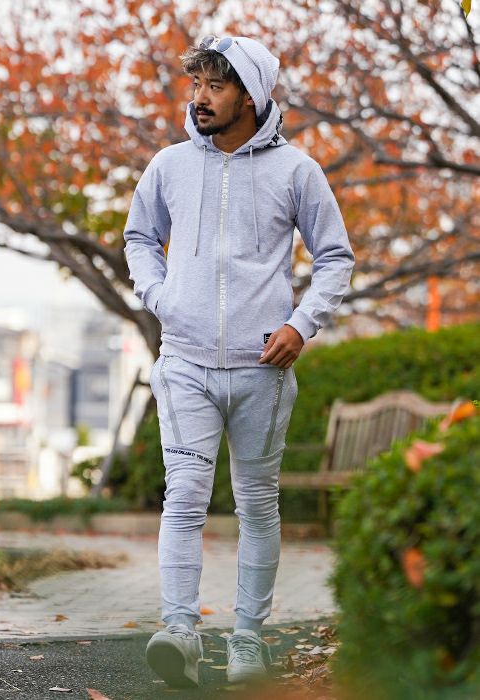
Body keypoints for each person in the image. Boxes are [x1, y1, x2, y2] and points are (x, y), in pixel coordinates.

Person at [123, 34, 355, 688]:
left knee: (256, 504)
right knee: (184, 497)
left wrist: (301, 324)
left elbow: (335, 256)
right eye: (196, 84)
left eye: (215, 86)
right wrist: (161, 297)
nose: (199, 98)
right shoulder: (169, 165)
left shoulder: (297, 172)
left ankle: (249, 638)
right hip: (186, 363)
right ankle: (180, 633)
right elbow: (139, 237)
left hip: (263, 370)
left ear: (249, 96)